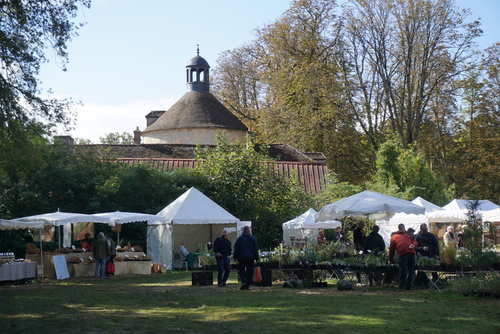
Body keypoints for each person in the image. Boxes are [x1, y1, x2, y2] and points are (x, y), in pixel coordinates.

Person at [388, 224, 417, 291]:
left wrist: (390, 259)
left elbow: (392, 249)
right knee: (411, 270)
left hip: (403, 253)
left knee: (403, 269)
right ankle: (408, 286)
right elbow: (415, 242)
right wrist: (413, 245)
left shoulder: (394, 237)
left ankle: (402, 286)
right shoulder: (407, 235)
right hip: (412, 253)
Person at [233, 226, 259, 290]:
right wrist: (257, 258)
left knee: (241, 270)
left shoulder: (239, 239)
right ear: (249, 231)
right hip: (250, 258)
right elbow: (255, 249)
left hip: (241, 257)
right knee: (250, 271)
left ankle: (243, 281)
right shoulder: (253, 238)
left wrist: (235, 257)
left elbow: (236, 248)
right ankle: (247, 284)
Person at [415, 223, 440, 288]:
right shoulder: (417, 237)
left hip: (431, 254)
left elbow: (436, 245)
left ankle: (436, 283)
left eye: (426, 229)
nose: (425, 231)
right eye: (424, 229)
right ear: (421, 229)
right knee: (423, 271)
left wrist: (437, 254)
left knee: (433, 269)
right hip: (422, 255)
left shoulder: (431, 235)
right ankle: (426, 284)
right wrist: (421, 249)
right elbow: (415, 247)